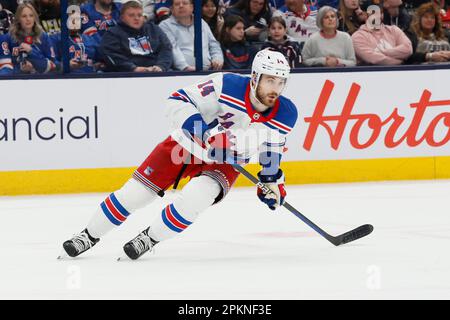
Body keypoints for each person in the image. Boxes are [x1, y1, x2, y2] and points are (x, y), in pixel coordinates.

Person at [61, 49, 298, 260]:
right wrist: (206, 134)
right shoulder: (227, 85)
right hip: (185, 146)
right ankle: (88, 235)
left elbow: (272, 147)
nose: (275, 89)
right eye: (270, 81)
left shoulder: (286, 113)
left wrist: (271, 180)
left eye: (281, 82)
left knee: (196, 197)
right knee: (134, 195)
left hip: (226, 162)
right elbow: (177, 101)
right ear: (255, 77)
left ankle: (150, 238)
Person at [100, 0, 173, 72]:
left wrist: (161, 66)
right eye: (131, 15)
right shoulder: (112, 33)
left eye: (139, 15)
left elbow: (166, 49)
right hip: (126, 75)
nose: (136, 18)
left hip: (156, 72)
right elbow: (111, 55)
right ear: (122, 18)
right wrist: (133, 68)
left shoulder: (154, 29)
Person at [159, 0, 223, 71]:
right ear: (172, 9)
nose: (181, 6)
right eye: (177, 4)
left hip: (208, 70)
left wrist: (218, 58)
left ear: (192, 7)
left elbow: (213, 44)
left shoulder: (201, 22)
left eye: (185, 3)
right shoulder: (165, 25)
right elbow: (172, 48)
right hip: (180, 72)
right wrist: (185, 67)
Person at [0, 3, 57, 74]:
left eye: (31, 16)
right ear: (18, 19)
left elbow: (53, 66)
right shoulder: (7, 38)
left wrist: (31, 52)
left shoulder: (43, 37)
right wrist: (20, 70)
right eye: (24, 16)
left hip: (40, 81)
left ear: (35, 18)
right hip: (16, 82)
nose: (28, 19)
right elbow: (4, 70)